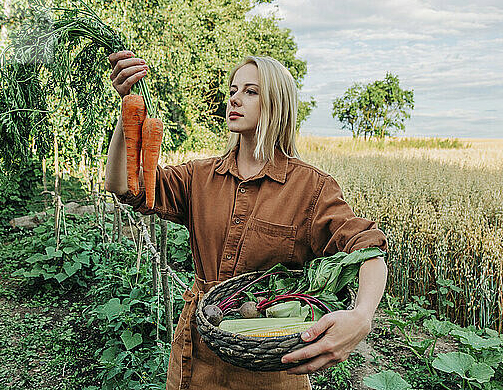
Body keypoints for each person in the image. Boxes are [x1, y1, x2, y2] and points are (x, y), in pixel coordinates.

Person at [104, 51, 388, 390]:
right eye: (232, 90)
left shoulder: (310, 188)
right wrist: (128, 112)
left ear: (276, 104)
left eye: (250, 92)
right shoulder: (200, 176)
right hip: (199, 353)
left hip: (272, 363)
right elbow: (123, 186)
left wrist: (362, 316)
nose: (235, 99)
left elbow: (368, 250)